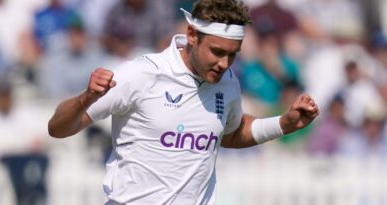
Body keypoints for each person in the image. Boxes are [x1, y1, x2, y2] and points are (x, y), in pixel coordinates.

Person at [48, 0, 319, 204]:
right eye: (217, 52)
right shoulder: (143, 74)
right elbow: (58, 128)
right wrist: (86, 98)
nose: (224, 63)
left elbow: (231, 133)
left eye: (233, 55)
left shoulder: (228, 82)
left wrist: (284, 123)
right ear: (192, 35)